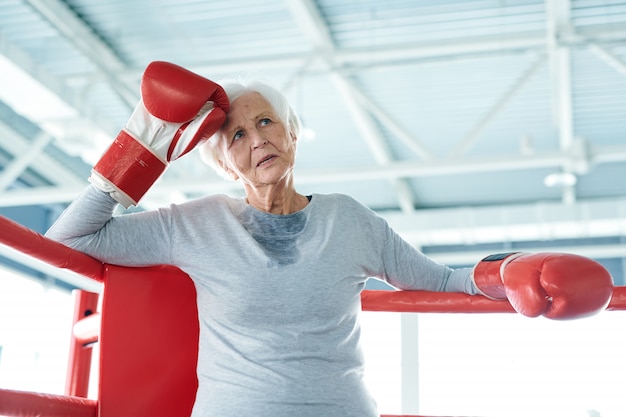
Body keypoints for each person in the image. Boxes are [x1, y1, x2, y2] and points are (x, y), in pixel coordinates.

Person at [46, 61, 613, 417]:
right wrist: (139, 147)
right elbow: (70, 237)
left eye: (266, 122)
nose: (256, 140)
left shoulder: (351, 220)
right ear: (225, 165)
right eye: (237, 135)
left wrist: (512, 270)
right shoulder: (196, 224)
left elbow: (442, 281)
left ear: (292, 133)